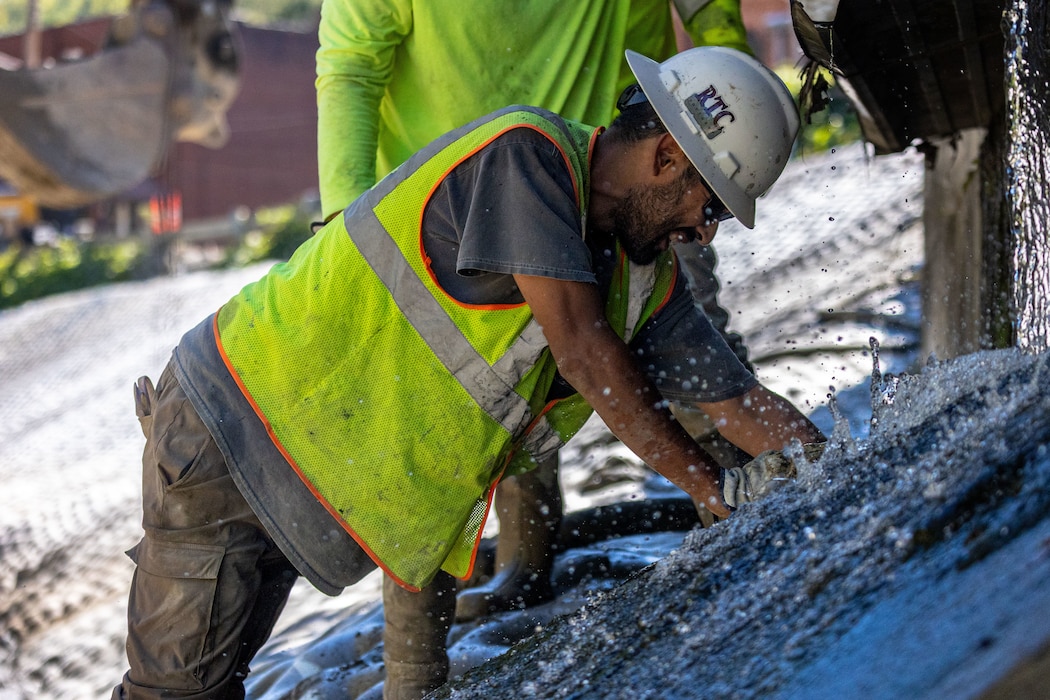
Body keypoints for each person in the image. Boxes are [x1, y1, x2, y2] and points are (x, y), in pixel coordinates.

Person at [113, 46, 825, 700]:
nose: (704, 232)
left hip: (307, 475)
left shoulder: (646, 281)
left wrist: (831, 467)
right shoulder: (526, 158)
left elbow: (736, 400)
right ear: (668, 156)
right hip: (234, 430)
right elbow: (582, 348)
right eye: (711, 206)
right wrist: (712, 487)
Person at [315, 0, 759, 623]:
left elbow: (666, 43)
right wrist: (344, 218)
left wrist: (725, 118)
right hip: (450, 214)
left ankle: (749, 528)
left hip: (607, 184)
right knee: (469, 418)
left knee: (682, 363)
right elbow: (351, 67)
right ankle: (524, 566)